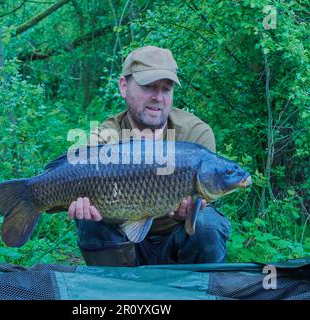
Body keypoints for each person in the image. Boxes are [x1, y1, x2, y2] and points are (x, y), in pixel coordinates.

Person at [67, 45, 231, 266]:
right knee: (90, 219)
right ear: (124, 86)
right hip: (123, 244)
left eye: (166, 89)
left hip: (176, 242)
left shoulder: (195, 135)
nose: (158, 97)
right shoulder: (105, 138)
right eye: (149, 87)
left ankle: (193, 291)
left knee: (207, 223)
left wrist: (187, 215)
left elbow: (203, 202)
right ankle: (117, 289)